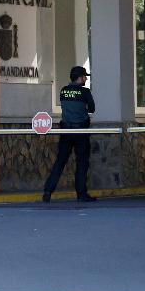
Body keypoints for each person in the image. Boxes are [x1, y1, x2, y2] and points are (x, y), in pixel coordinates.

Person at [42, 66, 97, 203]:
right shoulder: (85, 92)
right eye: (85, 77)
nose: (85, 79)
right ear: (80, 77)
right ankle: (81, 194)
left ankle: (48, 191)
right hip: (80, 132)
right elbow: (92, 108)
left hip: (66, 131)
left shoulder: (63, 91)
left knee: (60, 161)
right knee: (82, 163)